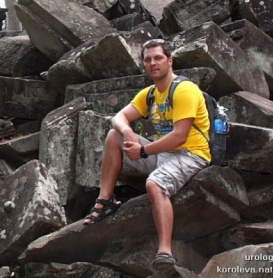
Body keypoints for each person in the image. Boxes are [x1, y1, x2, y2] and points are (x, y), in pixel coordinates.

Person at [82, 38, 211, 271]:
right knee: (114, 135)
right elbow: (118, 117)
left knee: (154, 183)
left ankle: (165, 251)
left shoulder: (185, 90)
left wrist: (143, 150)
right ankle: (106, 200)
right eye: (148, 59)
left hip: (191, 154)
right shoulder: (150, 94)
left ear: (170, 61)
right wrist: (128, 130)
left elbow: (180, 136)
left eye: (158, 58)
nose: (153, 63)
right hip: (163, 152)